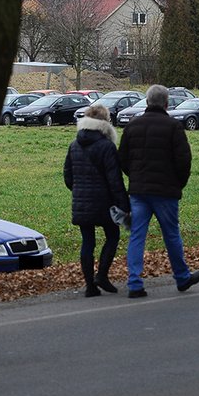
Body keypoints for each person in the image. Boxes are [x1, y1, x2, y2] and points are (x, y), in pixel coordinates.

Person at [117, 84, 199, 298]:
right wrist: (178, 184)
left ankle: (134, 283)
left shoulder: (132, 126)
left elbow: (123, 160)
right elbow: (184, 161)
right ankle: (182, 277)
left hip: (139, 190)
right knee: (171, 235)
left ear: (147, 102)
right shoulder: (173, 127)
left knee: (137, 236)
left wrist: (135, 177)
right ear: (167, 103)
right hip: (166, 190)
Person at [63, 104, 130, 297]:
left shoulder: (74, 145)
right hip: (104, 203)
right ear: (104, 123)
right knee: (112, 236)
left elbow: (68, 175)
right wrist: (124, 206)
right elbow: (115, 180)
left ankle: (89, 285)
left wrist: (78, 191)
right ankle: (101, 275)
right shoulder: (107, 146)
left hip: (82, 203)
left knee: (88, 242)